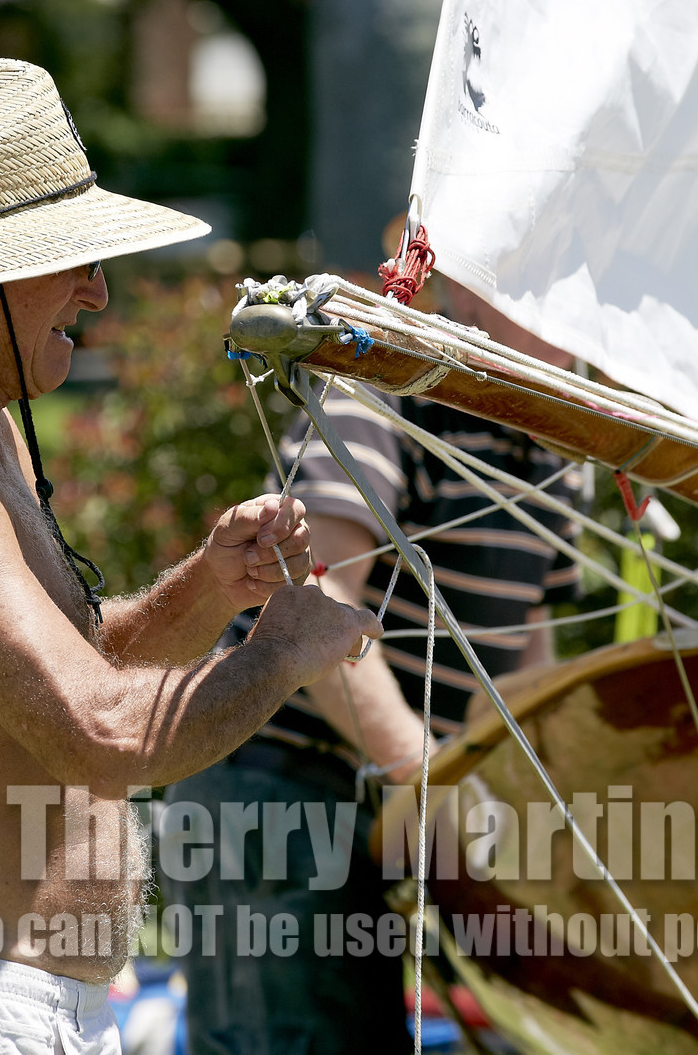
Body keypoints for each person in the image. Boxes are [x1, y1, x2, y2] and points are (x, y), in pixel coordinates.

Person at [0, 57, 382, 1055]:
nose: (97, 290)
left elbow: (66, 680)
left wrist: (209, 586)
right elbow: (100, 730)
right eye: (74, 260)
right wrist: (279, 655)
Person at [162, 277, 584, 1054]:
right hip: (276, 780)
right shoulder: (385, 393)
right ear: (473, 286)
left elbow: (527, 671)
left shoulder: (561, 452)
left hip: (384, 798)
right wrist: (432, 785)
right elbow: (308, 620)